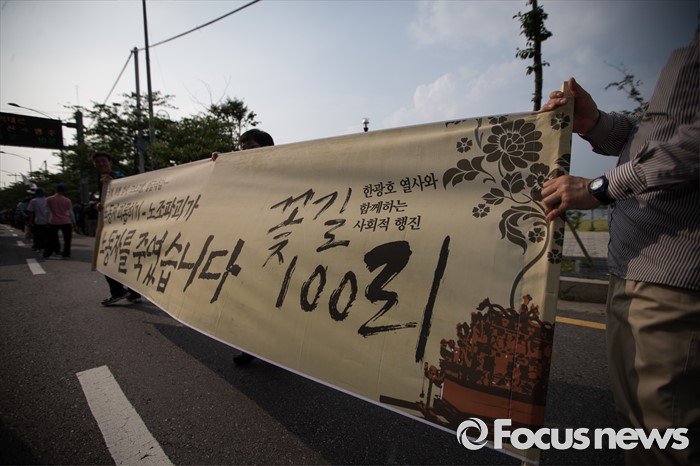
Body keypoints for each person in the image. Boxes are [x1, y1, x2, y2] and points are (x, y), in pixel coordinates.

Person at [541, 29, 698, 465]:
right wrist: (595, 124)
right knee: (638, 426)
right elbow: (654, 138)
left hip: (673, 274)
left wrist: (600, 187)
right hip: (632, 266)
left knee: (665, 435)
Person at [212, 128, 275, 365]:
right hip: (246, 245)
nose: (246, 151)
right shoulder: (240, 173)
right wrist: (219, 165)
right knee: (246, 298)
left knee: (269, 300)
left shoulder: (282, 171)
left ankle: (275, 348)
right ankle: (250, 345)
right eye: (242, 147)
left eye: (252, 146)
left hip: (274, 245)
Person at [92, 151, 142, 306]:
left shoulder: (117, 177)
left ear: (110, 162)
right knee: (120, 259)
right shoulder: (100, 181)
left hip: (123, 226)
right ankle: (132, 293)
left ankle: (120, 291)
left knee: (107, 259)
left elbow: (128, 190)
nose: (101, 164)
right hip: (111, 226)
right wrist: (99, 205)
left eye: (103, 160)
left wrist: (113, 181)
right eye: (98, 162)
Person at [44, 183, 75, 259]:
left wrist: (47, 221)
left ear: (56, 190)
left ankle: (48, 253)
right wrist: (74, 222)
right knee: (67, 239)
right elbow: (71, 212)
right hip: (66, 221)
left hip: (54, 221)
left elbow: (47, 211)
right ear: (64, 191)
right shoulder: (67, 200)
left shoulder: (49, 199)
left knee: (51, 238)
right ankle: (66, 253)